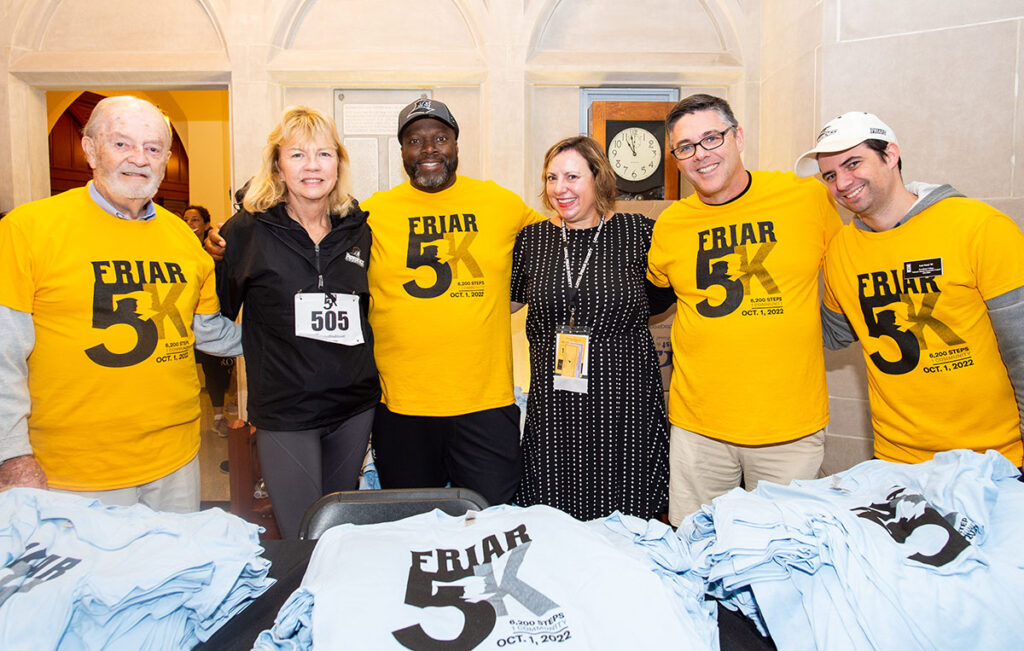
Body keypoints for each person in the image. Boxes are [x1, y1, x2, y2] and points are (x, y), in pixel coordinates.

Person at [205, 99, 544, 505]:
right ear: (402, 151)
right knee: (409, 523)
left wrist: (514, 296)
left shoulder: (501, 203)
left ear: (456, 143)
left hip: (485, 404)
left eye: (440, 138)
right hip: (399, 406)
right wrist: (230, 236)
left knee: (493, 519)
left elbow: (556, 243)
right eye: (415, 140)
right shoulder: (370, 214)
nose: (429, 149)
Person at [0, 96, 241, 512]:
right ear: (89, 149)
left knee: (174, 574)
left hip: (176, 461)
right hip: (71, 471)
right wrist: (11, 455)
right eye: (121, 144)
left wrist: (291, 338)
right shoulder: (28, 229)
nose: (138, 159)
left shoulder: (184, 239)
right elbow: (4, 353)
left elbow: (207, 332)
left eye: (152, 148)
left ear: (166, 157)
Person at [646, 94, 843, 525]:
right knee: (696, 551)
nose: (700, 155)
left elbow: (867, 241)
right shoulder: (671, 225)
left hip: (788, 431)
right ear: (676, 158)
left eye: (711, 138)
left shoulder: (807, 199)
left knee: (785, 558)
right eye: (686, 147)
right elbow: (654, 294)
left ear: (737, 137)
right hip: (698, 431)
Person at [795, 111, 1024, 467]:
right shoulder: (842, 249)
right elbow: (833, 334)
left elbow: (1022, 350)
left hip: (994, 460)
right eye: (830, 175)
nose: (841, 182)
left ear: (891, 155)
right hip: (896, 462)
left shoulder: (979, 227)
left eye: (853, 163)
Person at [217, 106, 380, 538]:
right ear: (277, 164)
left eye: (324, 154)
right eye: (297, 155)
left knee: (338, 530)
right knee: (301, 536)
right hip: (286, 411)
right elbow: (214, 318)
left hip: (353, 407)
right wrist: (265, 346)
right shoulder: (245, 232)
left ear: (339, 163)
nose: (312, 166)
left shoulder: (359, 228)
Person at [510, 136, 668, 520]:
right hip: (556, 407)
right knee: (553, 519)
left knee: (628, 519)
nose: (559, 188)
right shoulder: (533, 240)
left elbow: (667, 296)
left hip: (624, 405)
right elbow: (499, 305)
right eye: (551, 178)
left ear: (599, 179)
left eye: (572, 176)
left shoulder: (638, 233)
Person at [184, 204, 236, 436]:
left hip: (210, 315)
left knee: (214, 366)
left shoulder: (214, 249)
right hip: (183, 319)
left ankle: (218, 415)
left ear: (206, 224)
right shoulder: (179, 248)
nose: (190, 224)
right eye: (186, 219)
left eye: (195, 220)